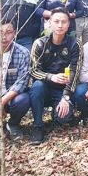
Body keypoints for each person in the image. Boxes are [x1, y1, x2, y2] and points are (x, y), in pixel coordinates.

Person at [27, 8, 80, 144]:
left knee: (62, 118)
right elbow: (33, 71)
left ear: (69, 24)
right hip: (43, 87)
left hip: (62, 90)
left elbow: (75, 72)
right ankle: (37, 126)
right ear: (49, 23)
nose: (60, 25)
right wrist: (51, 77)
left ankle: (59, 114)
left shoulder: (74, 44)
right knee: (37, 86)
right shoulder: (40, 43)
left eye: (64, 22)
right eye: (56, 21)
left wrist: (65, 97)